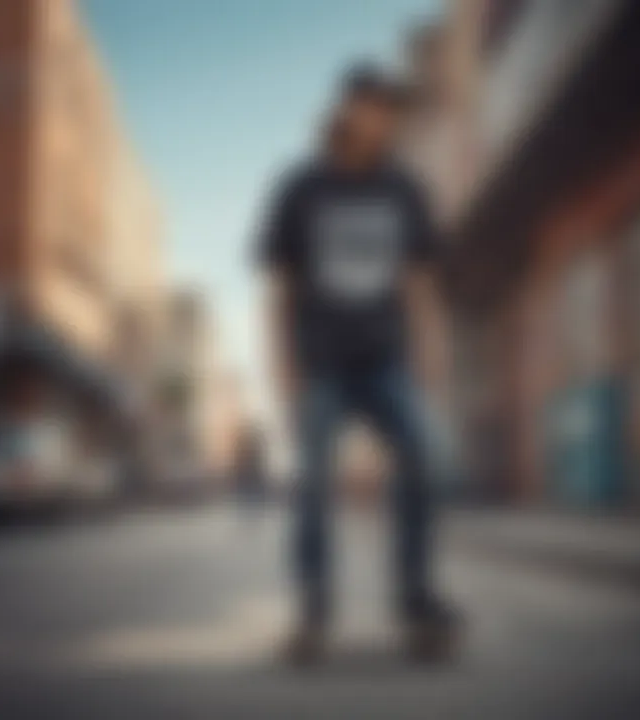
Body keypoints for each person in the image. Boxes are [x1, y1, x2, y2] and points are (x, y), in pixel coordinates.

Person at [258, 64, 458, 663]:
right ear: (350, 109)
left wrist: (431, 358)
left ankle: (415, 597)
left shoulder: (405, 189)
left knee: (428, 456)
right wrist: (282, 369)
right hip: (321, 364)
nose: (387, 121)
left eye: (394, 111)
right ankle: (314, 607)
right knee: (314, 482)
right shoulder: (300, 188)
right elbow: (278, 291)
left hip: (386, 360)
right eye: (378, 107)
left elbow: (419, 284)